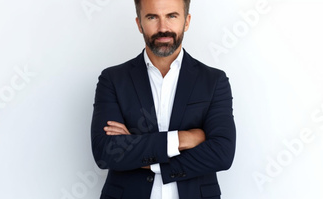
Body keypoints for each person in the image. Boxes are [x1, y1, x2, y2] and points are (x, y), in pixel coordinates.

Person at [90, 0, 236, 198]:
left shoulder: (213, 81)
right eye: (152, 17)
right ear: (139, 23)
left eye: (172, 16)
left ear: (186, 21)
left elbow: (222, 154)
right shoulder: (113, 79)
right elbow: (106, 153)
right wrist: (182, 138)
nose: (163, 28)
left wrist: (140, 153)